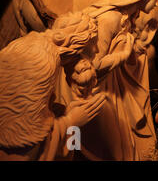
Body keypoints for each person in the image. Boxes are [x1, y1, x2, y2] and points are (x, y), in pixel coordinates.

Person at [54, 0, 158, 160]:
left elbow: (118, 46)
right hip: (93, 90)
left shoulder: (128, 16)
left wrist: (133, 49)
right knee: (116, 147)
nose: (157, 4)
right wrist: (123, 56)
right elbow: (94, 65)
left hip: (111, 85)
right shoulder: (110, 19)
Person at [0, 12, 105, 161]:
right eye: (93, 43)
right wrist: (71, 122)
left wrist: (63, 113)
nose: (97, 51)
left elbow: (32, 113)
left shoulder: (36, 41)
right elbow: (23, 141)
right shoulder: (44, 61)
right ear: (79, 43)